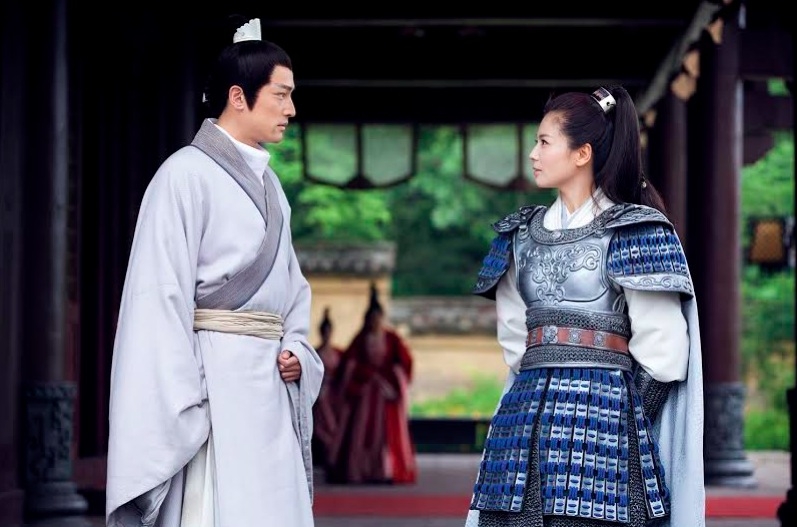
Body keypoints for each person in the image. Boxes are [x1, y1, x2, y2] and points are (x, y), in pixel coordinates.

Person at [105, 16, 323, 527]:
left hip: (270, 387)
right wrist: (186, 400)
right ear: (238, 96)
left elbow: (293, 290)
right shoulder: (183, 176)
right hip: (214, 386)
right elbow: (158, 298)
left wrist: (296, 348)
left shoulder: (274, 190)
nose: (291, 109)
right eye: (281, 95)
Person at [464, 86, 705, 527]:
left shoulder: (636, 232)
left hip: (604, 444)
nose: (533, 153)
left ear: (582, 153)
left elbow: (666, 353)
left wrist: (622, 418)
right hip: (520, 440)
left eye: (544, 142)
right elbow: (516, 346)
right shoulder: (518, 237)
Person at [326, 283, 418, 485]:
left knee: (386, 434)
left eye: (377, 318)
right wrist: (358, 374)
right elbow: (348, 363)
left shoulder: (391, 339)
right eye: (371, 318)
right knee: (361, 433)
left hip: (385, 393)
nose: (374, 321)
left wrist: (395, 377)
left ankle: (386, 470)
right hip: (365, 391)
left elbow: (404, 362)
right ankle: (359, 470)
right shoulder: (361, 339)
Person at [312, 307, 344, 468]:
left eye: (328, 332)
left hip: (335, 394)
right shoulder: (315, 352)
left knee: (335, 424)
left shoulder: (338, 353)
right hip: (320, 393)